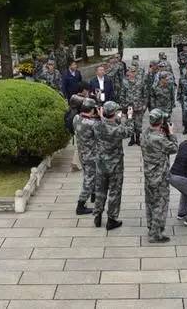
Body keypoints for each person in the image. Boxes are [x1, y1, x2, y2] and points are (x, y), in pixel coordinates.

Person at [93, 101, 134, 230]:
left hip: (100, 164)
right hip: (115, 165)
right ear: (114, 113)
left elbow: (102, 121)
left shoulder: (97, 125)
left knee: (100, 189)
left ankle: (97, 216)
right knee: (114, 192)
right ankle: (111, 219)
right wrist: (129, 117)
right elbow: (129, 131)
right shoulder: (118, 129)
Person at [140, 109, 179, 243]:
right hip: (160, 176)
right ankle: (155, 234)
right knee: (160, 204)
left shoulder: (144, 134)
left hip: (149, 174)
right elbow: (174, 148)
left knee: (150, 202)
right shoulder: (160, 139)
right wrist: (171, 133)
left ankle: (151, 226)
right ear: (161, 121)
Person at [73, 98, 99, 215]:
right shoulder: (92, 124)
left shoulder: (76, 118)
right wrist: (101, 116)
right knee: (89, 179)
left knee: (90, 175)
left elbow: (87, 120)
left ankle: (94, 195)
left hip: (82, 154)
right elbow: (103, 131)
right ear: (92, 110)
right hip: (91, 156)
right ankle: (80, 205)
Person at [120, 65, 146, 146]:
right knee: (130, 122)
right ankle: (131, 139)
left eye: (134, 71)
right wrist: (123, 105)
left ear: (136, 72)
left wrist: (144, 104)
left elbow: (144, 94)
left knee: (138, 124)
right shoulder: (125, 82)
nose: (132, 73)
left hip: (138, 106)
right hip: (129, 107)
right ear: (128, 72)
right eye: (131, 71)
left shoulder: (140, 81)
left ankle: (138, 138)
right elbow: (122, 94)